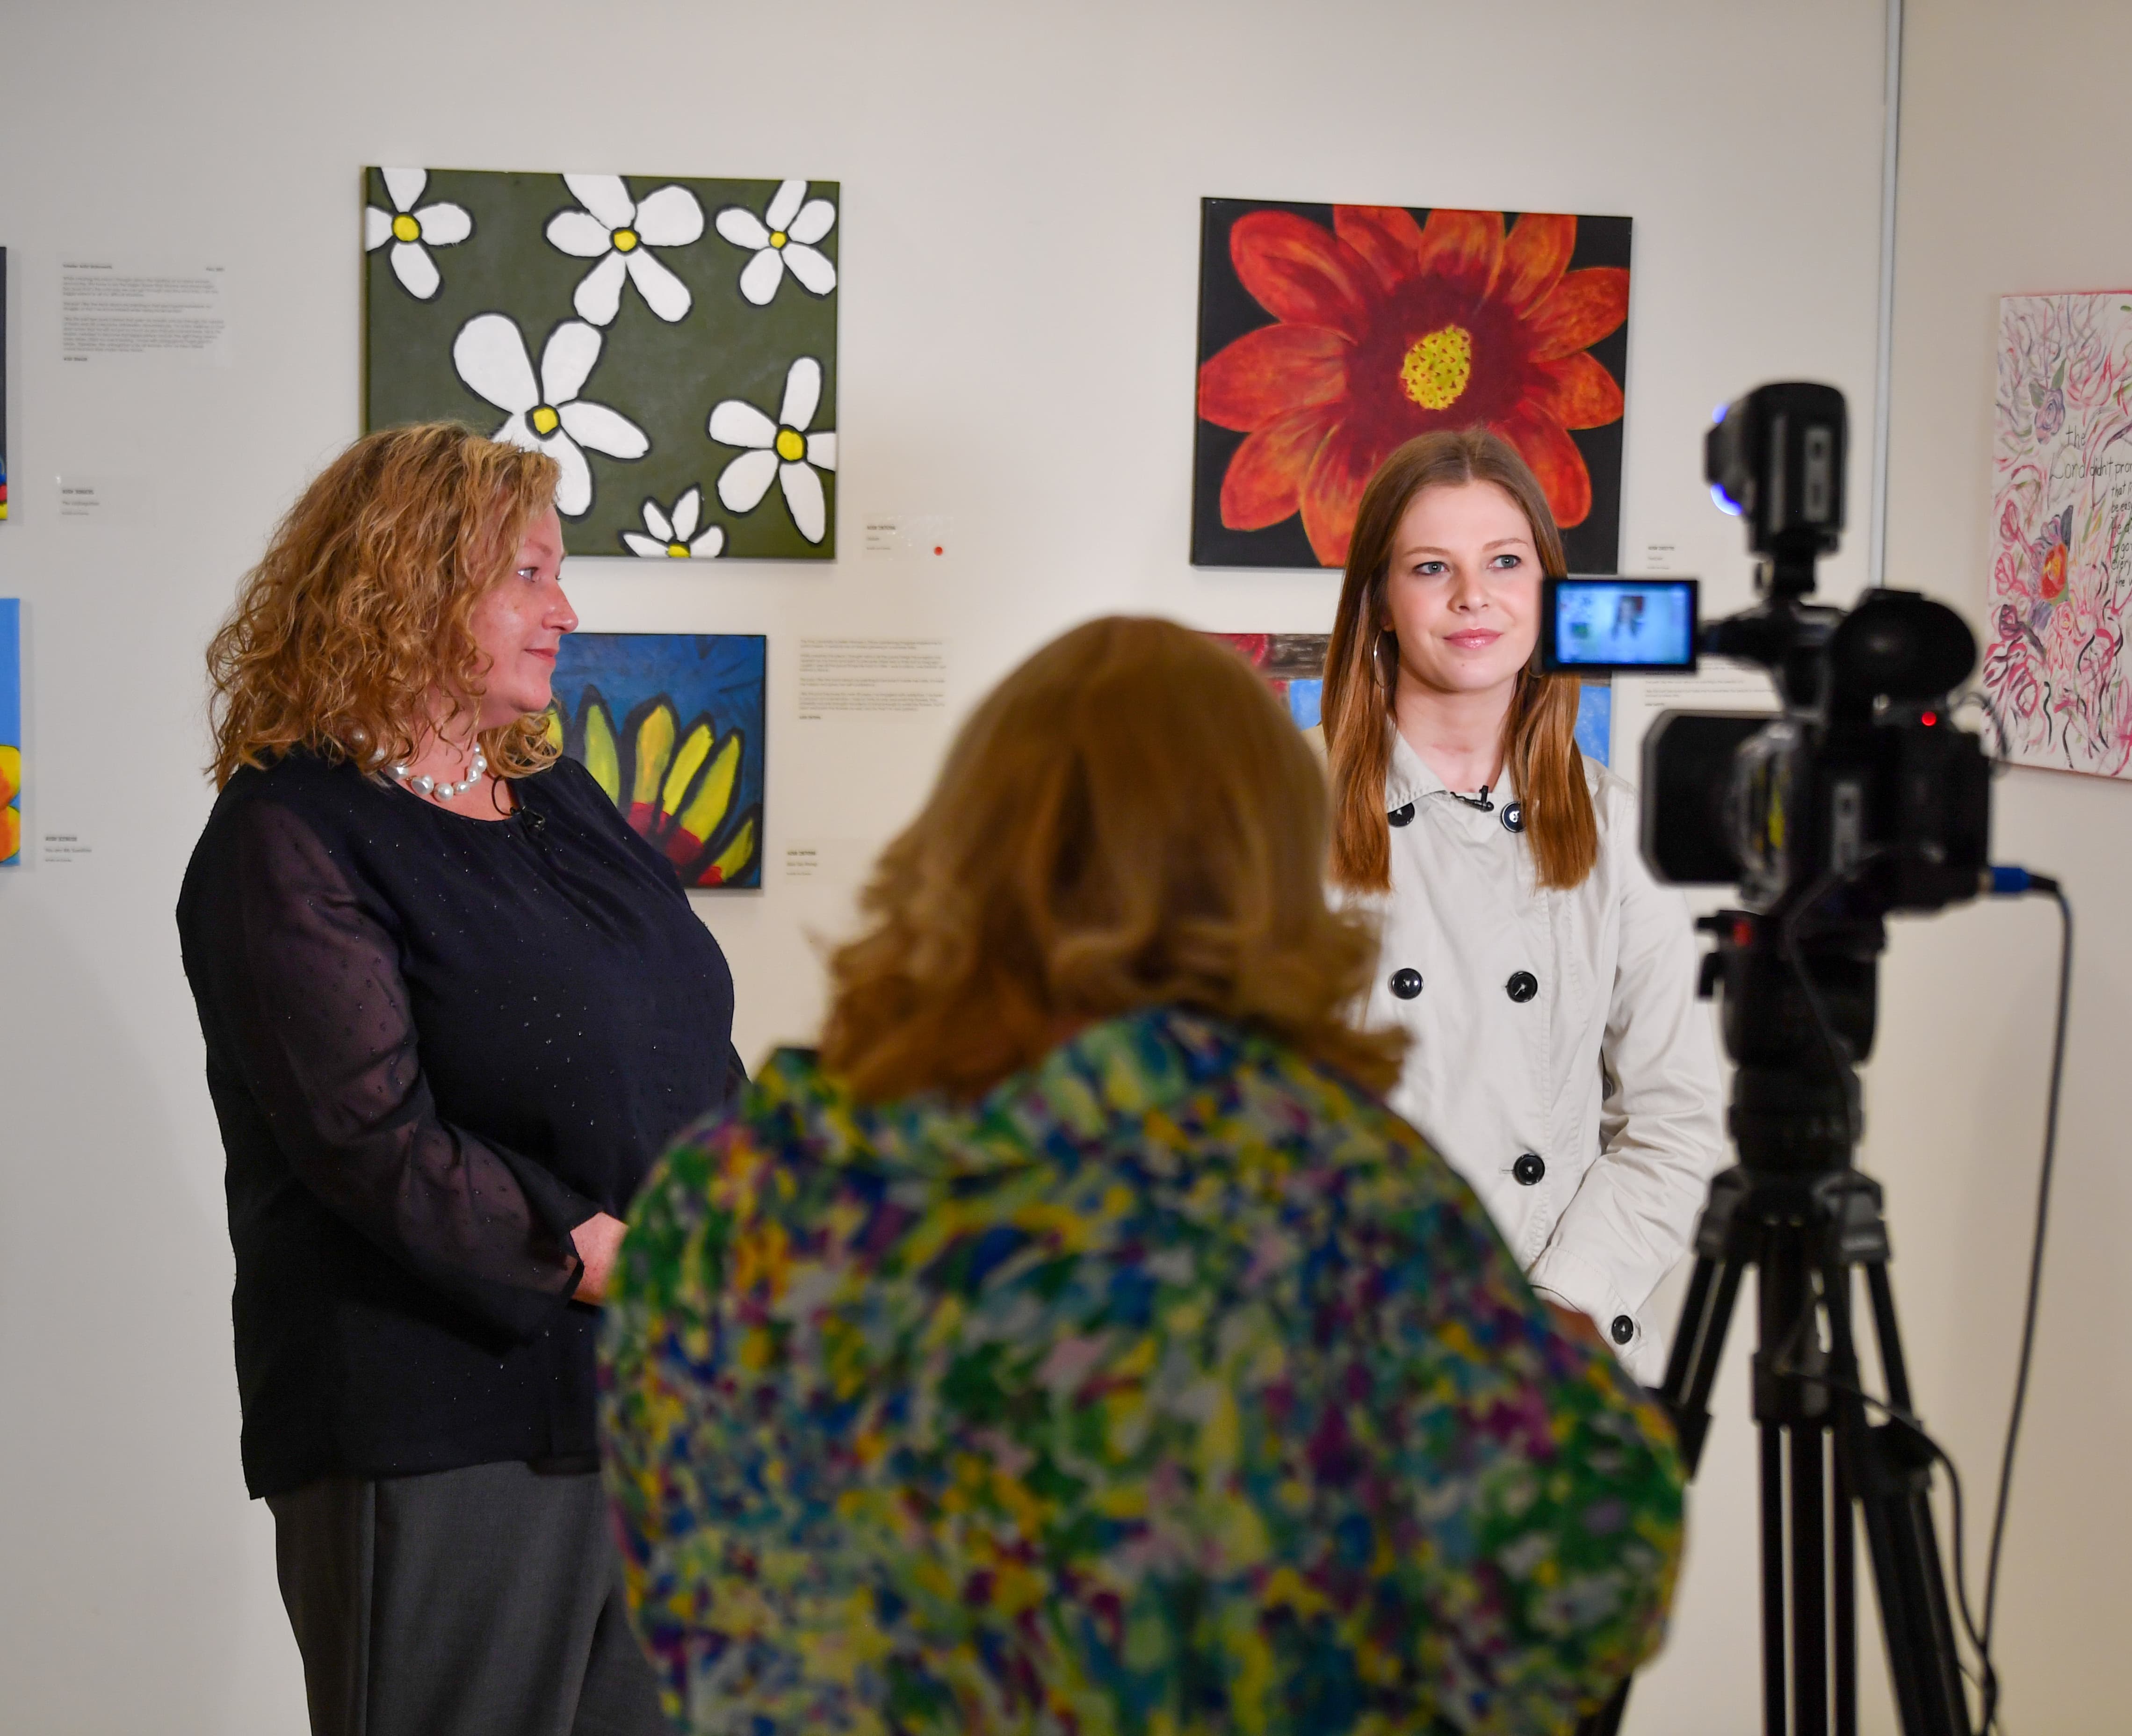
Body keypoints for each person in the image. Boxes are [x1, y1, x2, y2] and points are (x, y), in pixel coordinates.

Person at [596, 618, 1683, 1735]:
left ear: (966, 842)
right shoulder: (1337, 1193)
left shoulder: (738, 1191)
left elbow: (693, 1601)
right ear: (1266, 869)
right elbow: (1589, 1570)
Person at [177, 424, 743, 1736]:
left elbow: (682, 1035)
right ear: (415, 583)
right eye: (533, 574)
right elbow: (369, 1138)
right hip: (439, 1432)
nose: (568, 609)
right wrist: (595, 1249)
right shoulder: (291, 833)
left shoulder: (554, 798)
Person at [1316, 429, 1720, 1382]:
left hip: (1547, 1352)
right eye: (1431, 567)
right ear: (1378, 598)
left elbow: (1678, 1123)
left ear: (1551, 595)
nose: (1472, 597)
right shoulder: (1282, 824)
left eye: (1505, 561)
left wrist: (1561, 1307)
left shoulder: (1624, 829)